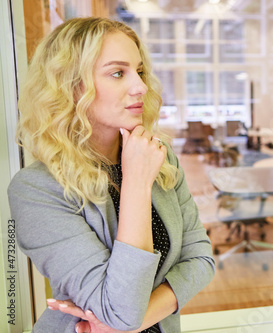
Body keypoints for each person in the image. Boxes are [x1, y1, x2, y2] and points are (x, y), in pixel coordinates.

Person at [8, 17, 215, 333]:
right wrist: (136, 182)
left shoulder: (160, 158)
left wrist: (133, 324)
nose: (141, 87)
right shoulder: (36, 189)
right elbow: (121, 309)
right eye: (118, 73)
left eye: (140, 71)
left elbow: (201, 260)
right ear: (71, 87)